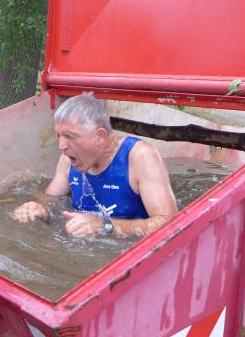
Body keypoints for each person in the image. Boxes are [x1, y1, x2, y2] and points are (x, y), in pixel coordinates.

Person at [13, 93, 178, 238]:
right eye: (59, 136)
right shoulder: (69, 159)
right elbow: (50, 198)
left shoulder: (140, 157)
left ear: (99, 136)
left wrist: (105, 226)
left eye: (70, 136)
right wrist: (39, 207)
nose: (61, 146)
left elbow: (168, 223)